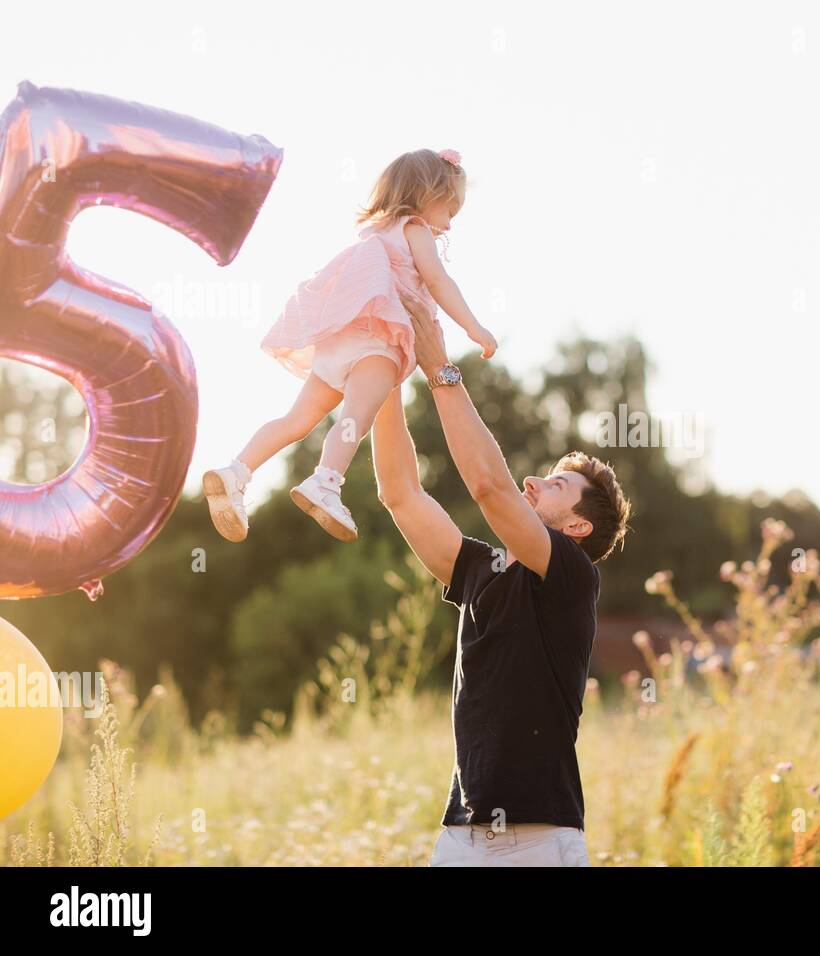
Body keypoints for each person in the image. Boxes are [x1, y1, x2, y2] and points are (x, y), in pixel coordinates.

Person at [372, 288, 630, 866]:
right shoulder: (479, 572)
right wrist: (386, 375)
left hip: (539, 838)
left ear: (579, 527)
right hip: (461, 833)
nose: (538, 482)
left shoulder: (571, 575)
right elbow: (400, 493)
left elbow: (489, 486)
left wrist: (438, 364)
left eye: (558, 486)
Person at [201, 148, 498, 543]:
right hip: (377, 343)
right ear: (428, 197)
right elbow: (440, 282)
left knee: (296, 419)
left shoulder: (376, 233)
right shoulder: (415, 230)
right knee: (356, 416)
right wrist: (475, 327)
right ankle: (325, 483)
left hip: (339, 341)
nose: (448, 224)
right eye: (449, 211)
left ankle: (237, 472)